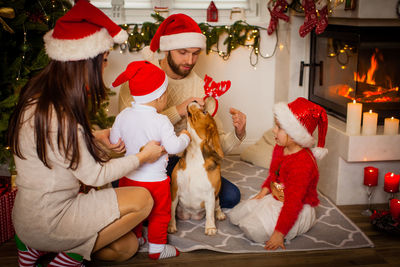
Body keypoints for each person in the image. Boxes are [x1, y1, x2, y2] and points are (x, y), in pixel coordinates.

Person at [8, 1, 165, 265]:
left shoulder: (38, 97)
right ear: (84, 63)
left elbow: (52, 143)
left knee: (125, 247)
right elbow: (96, 175)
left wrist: (93, 136)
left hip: (27, 217)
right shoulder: (64, 115)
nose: (104, 68)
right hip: (52, 219)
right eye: (103, 61)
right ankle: (66, 259)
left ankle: (32, 247)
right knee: (143, 199)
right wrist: (142, 156)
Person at [118, 13, 247, 209]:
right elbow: (129, 134)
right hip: (145, 162)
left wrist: (238, 134)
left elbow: (214, 144)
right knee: (133, 199)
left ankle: (171, 198)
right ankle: (171, 198)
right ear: (167, 49)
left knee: (230, 196)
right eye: (183, 52)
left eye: (195, 53)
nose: (190, 60)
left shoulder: (201, 88)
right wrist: (178, 111)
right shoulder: (141, 79)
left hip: (186, 165)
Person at [110, 61, 190, 260]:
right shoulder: (161, 120)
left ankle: (136, 238)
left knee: (133, 212)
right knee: (159, 214)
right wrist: (186, 137)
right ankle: (157, 248)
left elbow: (113, 141)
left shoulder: (123, 115)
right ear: (160, 97)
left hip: (128, 177)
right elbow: (173, 148)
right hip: (155, 181)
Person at [228, 97, 328, 250]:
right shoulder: (281, 147)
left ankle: (278, 226)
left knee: (254, 230)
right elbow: (274, 173)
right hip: (279, 195)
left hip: (297, 206)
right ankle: (264, 211)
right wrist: (264, 191)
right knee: (237, 215)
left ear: (295, 135)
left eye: (279, 127)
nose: (274, 130)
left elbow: (293, 204)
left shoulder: (302, 163)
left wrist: (279, 233)